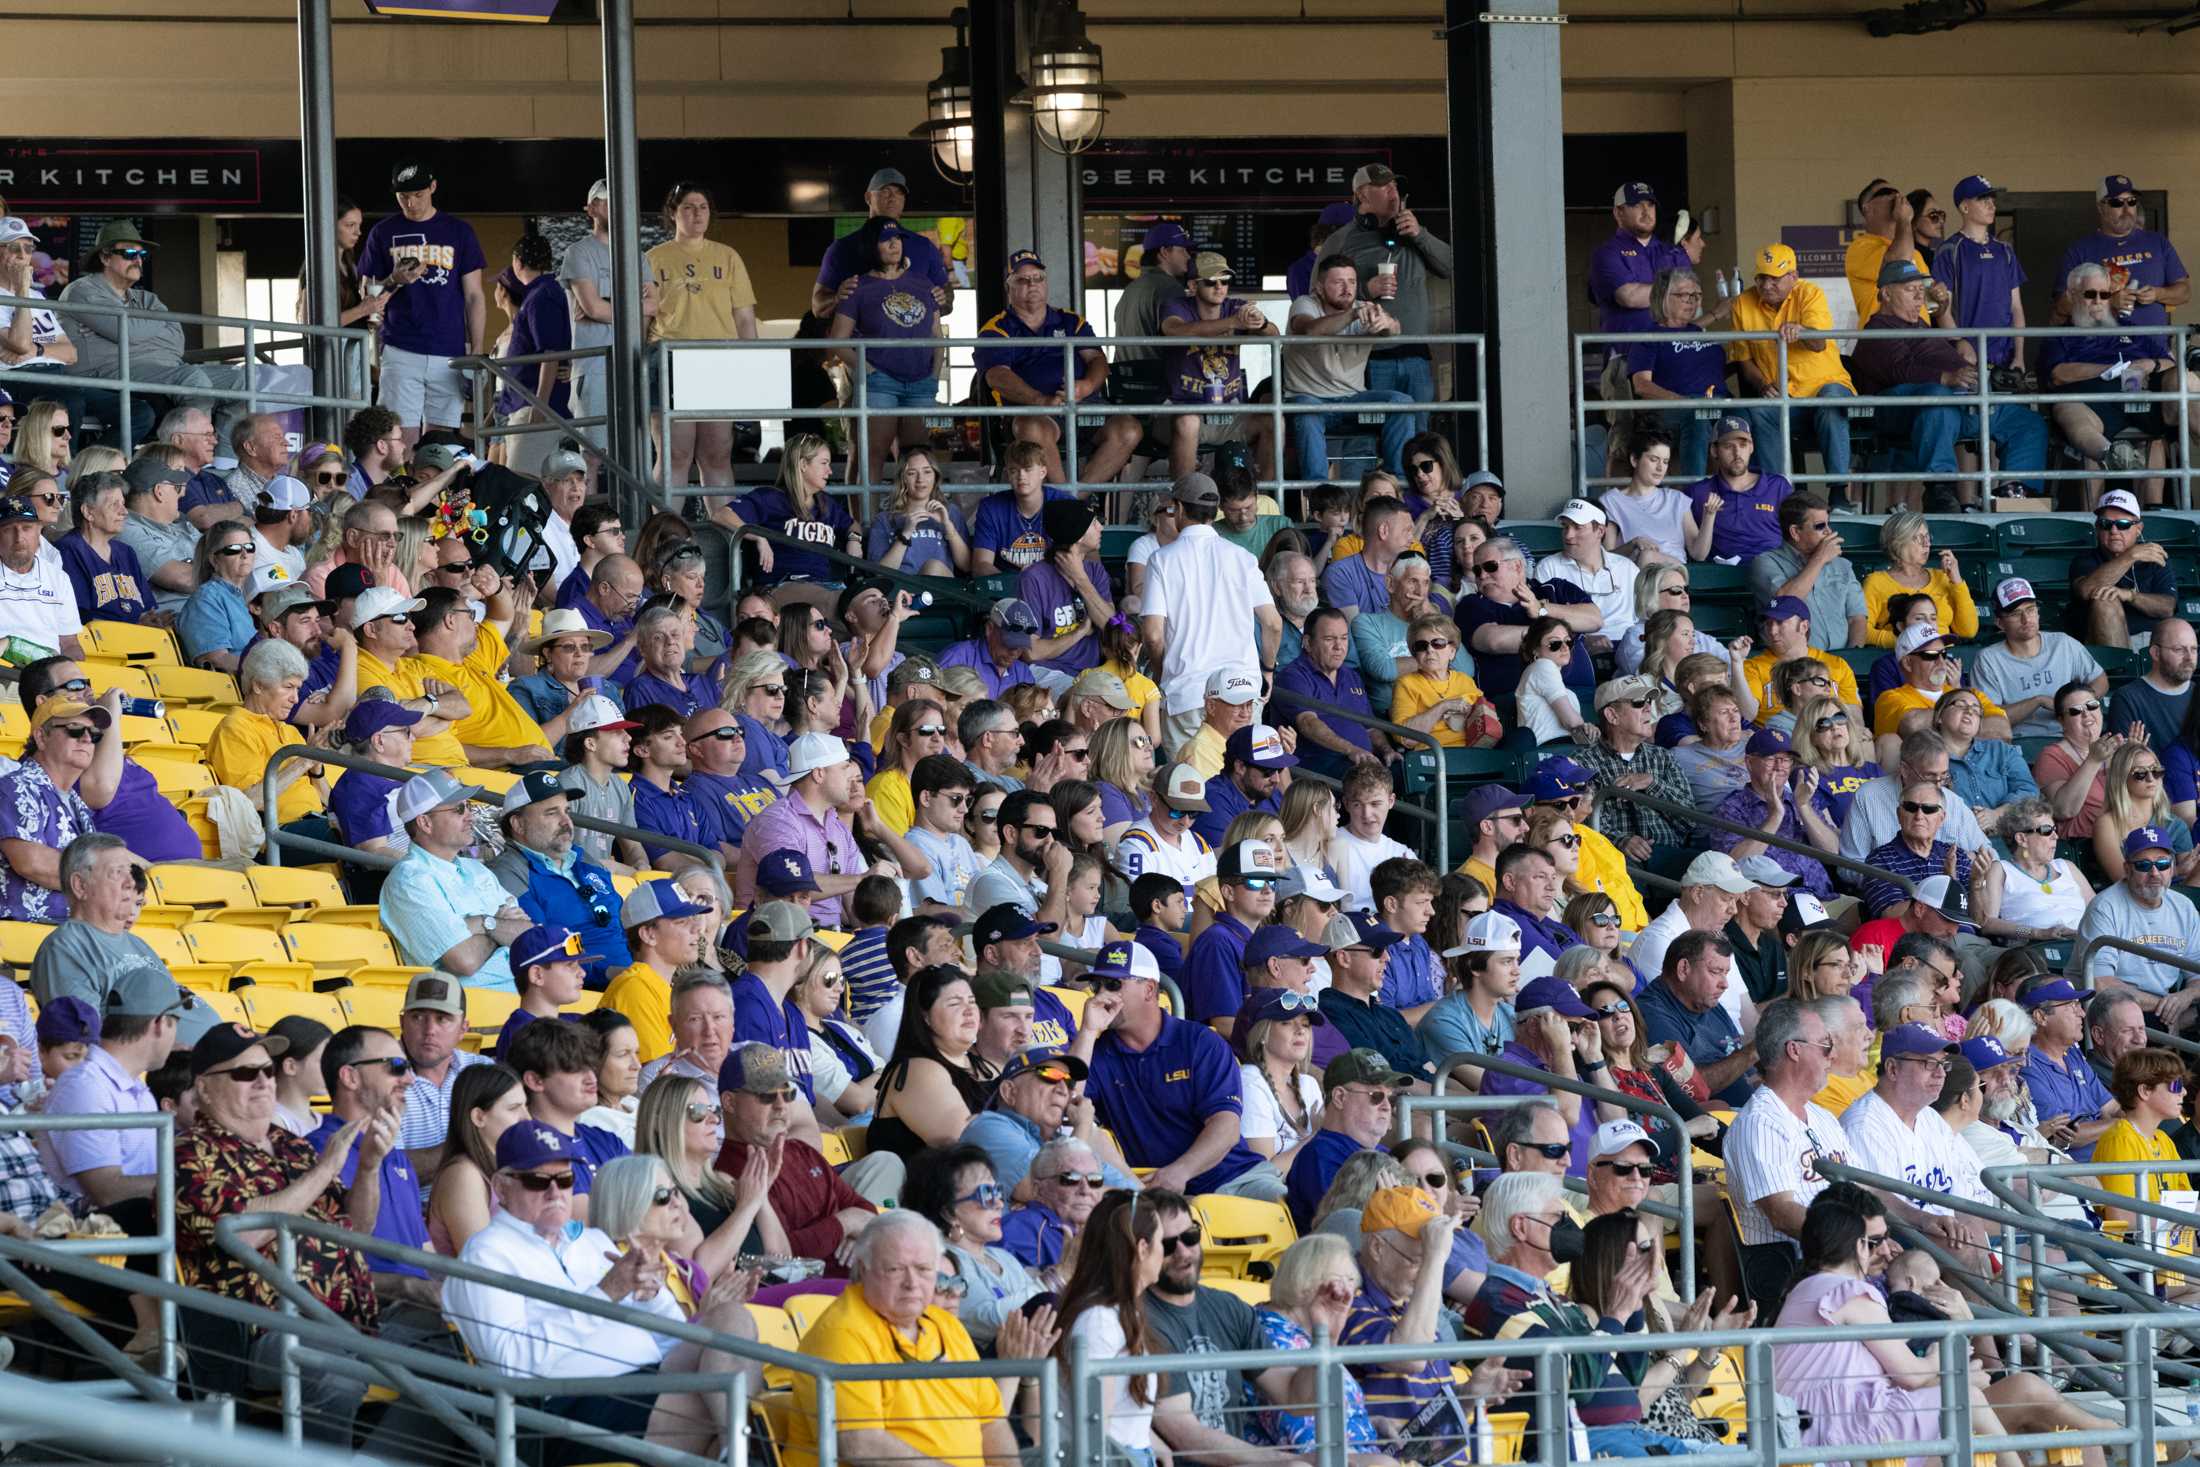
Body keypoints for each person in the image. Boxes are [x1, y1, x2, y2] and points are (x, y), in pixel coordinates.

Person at [1138, 472, 1280, 750]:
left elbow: (1153, 636)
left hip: (1188, 695)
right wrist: (1268, 671)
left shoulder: (1161, 560)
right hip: (1243, 694)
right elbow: (1273, 624)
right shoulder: (1242, 557)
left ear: (1178, 508)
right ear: (1215, 512)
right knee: (1242, 786)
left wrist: (1161, 674)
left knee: (1191, 788)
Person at [975, 250, 1140, 486]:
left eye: (1038, 278)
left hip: (1084, 406)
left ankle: (1074, 500)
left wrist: (1085, 387)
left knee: (1129, 428)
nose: (1032, 284)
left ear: (1046, 283)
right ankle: (1065, 500)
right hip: (1034, 414)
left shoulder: (1071, 321)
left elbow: (1098, 360)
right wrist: (1040, 400)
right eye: (1023, 279)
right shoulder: (997, 328)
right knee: (1032, 426)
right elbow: (997, 376)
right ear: (1008, 286)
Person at [353, 164, 487, 446]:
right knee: (399, 439)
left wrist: (475, 350)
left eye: (417, 194)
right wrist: (394, 279)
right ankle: (401, 490)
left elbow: (474, 295)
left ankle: (435, 491)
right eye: (403, 197)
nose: (411, 203)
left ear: (433, 188)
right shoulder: (383, 232)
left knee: (440, 442)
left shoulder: (459, 231)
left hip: (449, 349)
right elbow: (368, 292)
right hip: (401, 345)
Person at [1324, 162, 1454, 438]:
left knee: (1420, 439)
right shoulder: (1342, 240)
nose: (1393, 191)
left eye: (1395, 185)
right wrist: (1364, 289)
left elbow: (1451, 268)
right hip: (1370, 359)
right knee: (1370, 438)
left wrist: (1421, 236)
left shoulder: (1415, 233)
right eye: (1384, 186)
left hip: (1418, 356)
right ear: (1362, 195)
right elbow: (1318, 293)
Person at [379, 769, 530, 991]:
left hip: (522, 989)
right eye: (459, 809)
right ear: (425, 823)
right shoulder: (410, 880)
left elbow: (525, 932)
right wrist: (494, 923)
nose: (470, 816)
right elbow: (464, 961)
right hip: (474, 1004)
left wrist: (483, 925)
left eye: (469, 806)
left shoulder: (477, 870)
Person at [1283, 254, 1411, 481]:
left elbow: (1396, 328)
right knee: (1306, 410)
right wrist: (1351, 315)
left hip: (1352, 400)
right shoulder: (1305, 303)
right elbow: (1310, 329)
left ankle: (1396, 483)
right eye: (1338, 282)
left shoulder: (1365, 308)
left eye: (1351, 282)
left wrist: (1387, 324)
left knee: (1402, 403)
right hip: (1309, 400)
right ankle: (1319, 493)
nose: (1347, 289)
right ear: (1320, 288)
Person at [2077, 827, 2200, 1031]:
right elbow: (2101, 984)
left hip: (2164, 1007)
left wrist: (2185, 996)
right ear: (2127, 869)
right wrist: (2165, 1007)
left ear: (2172, 868)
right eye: (2143, 865)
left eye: (2162, 864)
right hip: (2113, 1009)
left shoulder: (2184, 907)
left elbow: (2197, 974)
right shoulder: (2105, 907)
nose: (2154, 873)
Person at [1284, 1049, 1413, 1231]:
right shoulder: (1320, 1156)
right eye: (1376, 1096)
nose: (1386, 1107)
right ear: (1340, 1097)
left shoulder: (1382, 1153)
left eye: (1391, 1099)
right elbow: (1348, 1229)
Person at [1746, 493, 1866, 652]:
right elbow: (1784, 603)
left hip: (1841, 665)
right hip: (1792, 665)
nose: (1828, 531)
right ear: (1795, 532)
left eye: (1828, 524)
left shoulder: (1842, 565)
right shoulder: (1765, 562)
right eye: (1820, 526)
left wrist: (1852, 657)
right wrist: (1819, 559)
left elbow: (1857, 618)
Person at [2112, 617, 2196, 759]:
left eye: (2194, 649)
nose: (2189, 658)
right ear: (2156, 653)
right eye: (2179, 649)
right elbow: (2123, 766)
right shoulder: (2128, 698)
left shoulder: (2197, 693)